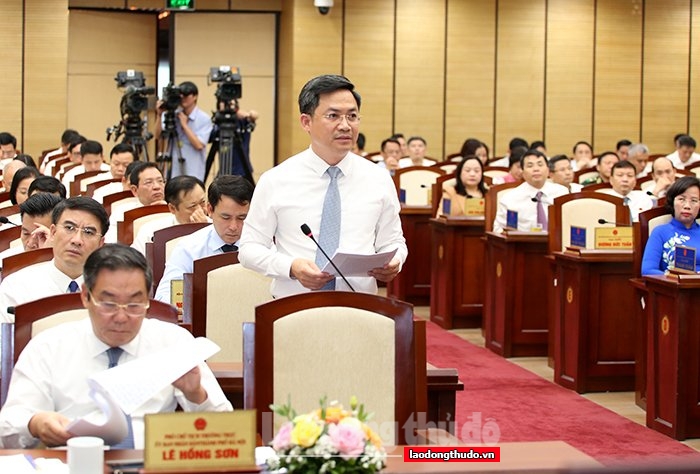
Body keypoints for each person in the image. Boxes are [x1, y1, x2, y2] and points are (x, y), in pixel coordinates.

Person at [0, 244, 232, 449]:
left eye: (134, 304)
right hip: (74, 462)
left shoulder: (173, 342)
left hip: (150, 462)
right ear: (85, 296)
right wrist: (35, 423)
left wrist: (196, 394)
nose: (121, 317)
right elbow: (7, 429)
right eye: (109, 304)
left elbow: (226, 429)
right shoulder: (48, 346)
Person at [238, 74, 407, 298]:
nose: (345, 125)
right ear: (306, 122)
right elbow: (249, 249)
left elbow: (393, 241)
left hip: (360, 305)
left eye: (352, 116)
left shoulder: (378, 178)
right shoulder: (276, 180)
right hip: (292, 306)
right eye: (333, 116)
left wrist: (395, 261)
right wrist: (291, 267)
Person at [0, 196, 108, 323]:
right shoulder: (17, 286)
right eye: (69, 228)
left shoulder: (114, 289)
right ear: (53, 232)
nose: (77, 240)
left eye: (88, 232)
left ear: (100, 244)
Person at [155, 175, 253, 303]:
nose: (233, 227)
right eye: (225, 217)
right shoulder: (189, 248)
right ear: (210, 209)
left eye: (242, 218)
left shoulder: (263, 246)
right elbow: (165, 297)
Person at [492, 150, 569, 233]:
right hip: (522, 240)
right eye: (530, 165)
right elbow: (499, 229)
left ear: (547, 170)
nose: (536, 169)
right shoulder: (510, 198)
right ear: (522, 172)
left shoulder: (562, 193)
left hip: (556, 240)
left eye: (540, 165)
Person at [131, 175, 208, 255]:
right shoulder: (150, 230)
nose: (200, 211)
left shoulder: (213, 227)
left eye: (202, 202)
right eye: (192, 206)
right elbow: (134, 259)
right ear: (172, 208)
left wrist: (204, 231)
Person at [155, 81, 213, 181]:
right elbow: (157, 136)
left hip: (193, 170)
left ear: (195, 96)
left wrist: (185, 126)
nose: (182, 98)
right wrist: (159, 115)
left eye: (186, 95)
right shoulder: (173, 115)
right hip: (173, 171)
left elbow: (199, 145)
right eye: (180, 95)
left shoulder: (204, 118)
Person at [641, 176, 700, 275]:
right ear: (673, 202)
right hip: (671, 283)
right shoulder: (660, 232)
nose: (687, 206)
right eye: (681, 199)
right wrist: (675, 279)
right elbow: (648, 270)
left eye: (694, 201)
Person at [104, 162, 166, 243]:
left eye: (160, 181)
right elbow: (111, 243)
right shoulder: (122, 212)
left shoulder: (174, 210)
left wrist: (166, 211)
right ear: (134, 190)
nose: (157, 187)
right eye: (148, 182)